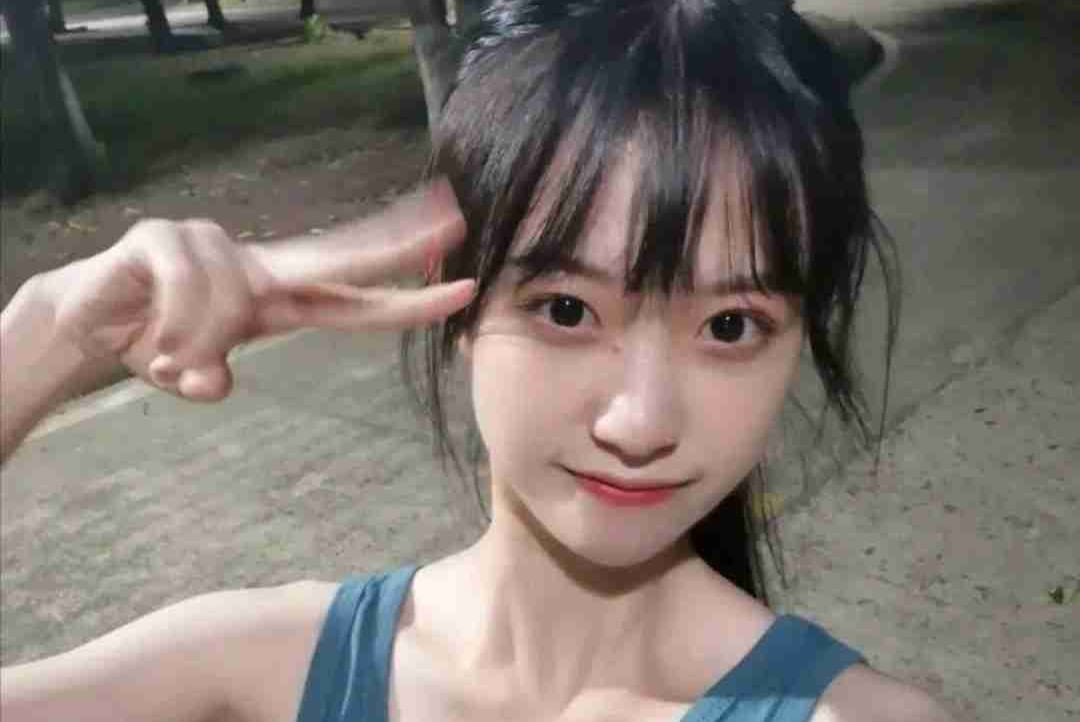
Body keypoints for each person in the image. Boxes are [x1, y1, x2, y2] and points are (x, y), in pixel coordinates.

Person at [0, 0, 956, 720]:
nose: (640, 423)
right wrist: (46, 338)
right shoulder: (248, 666)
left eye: (733, 327)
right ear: (455, 300)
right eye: (567, 308)